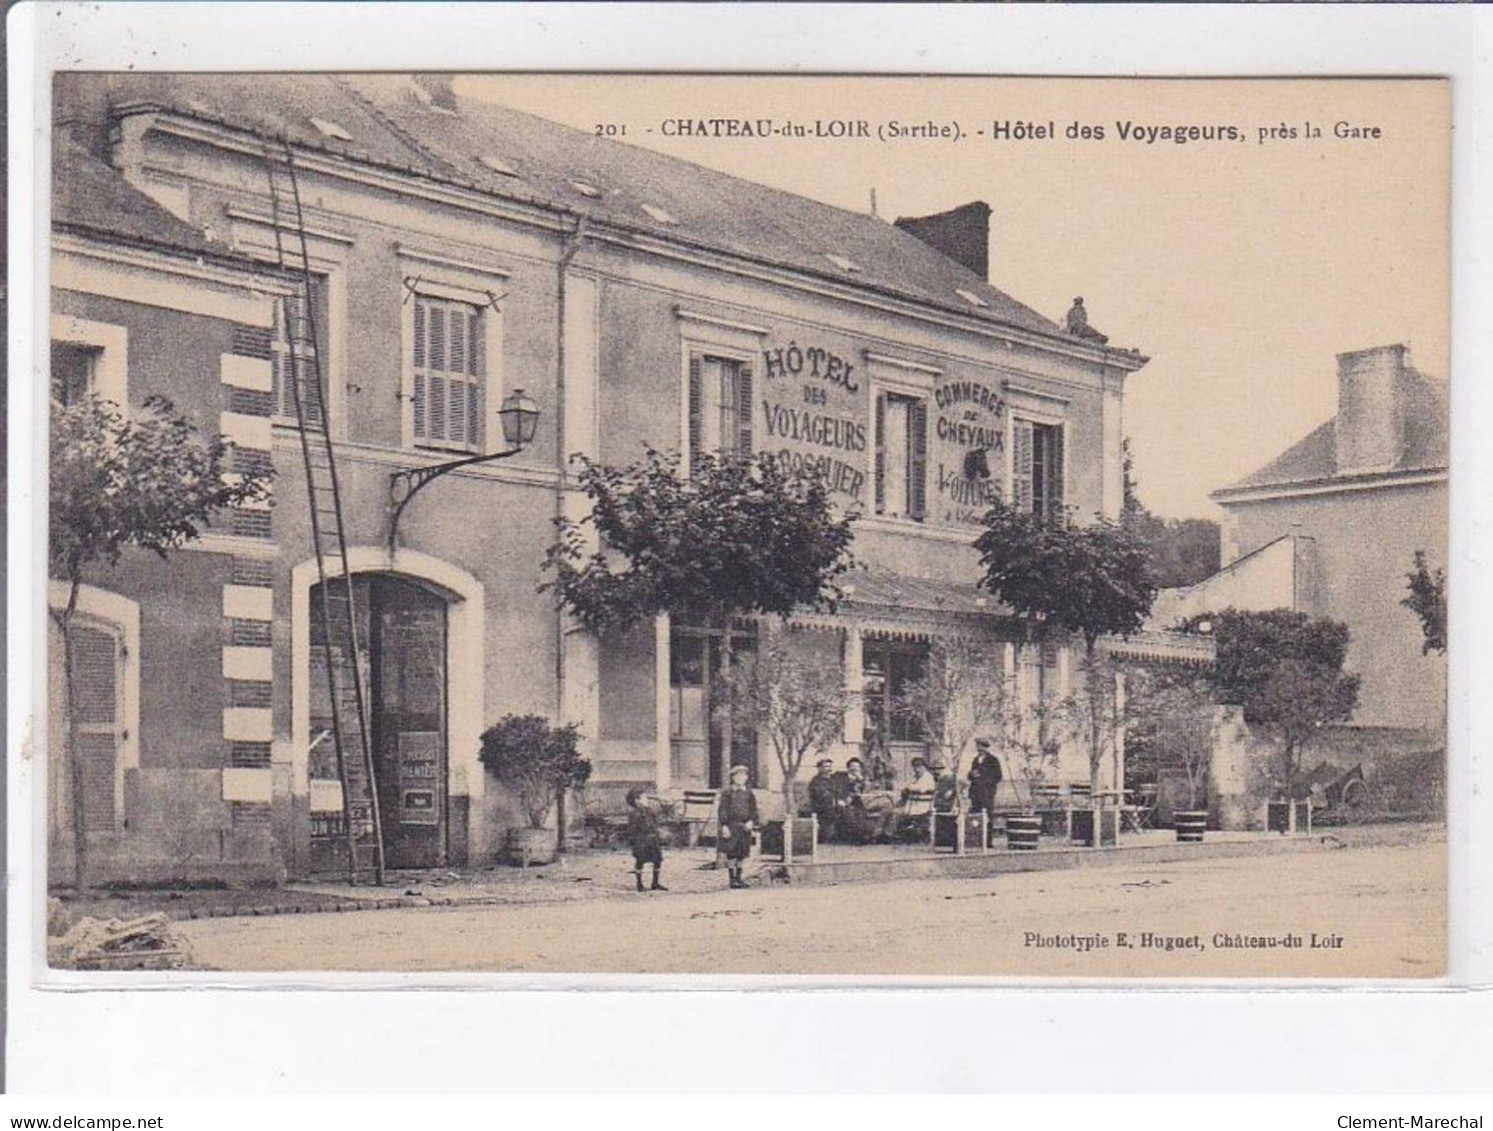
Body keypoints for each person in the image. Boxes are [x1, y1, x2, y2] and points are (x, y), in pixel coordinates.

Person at [718, 764, 760, 889]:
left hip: (744, 826)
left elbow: (753, 810)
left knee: (742, 852)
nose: (740, 778)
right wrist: (724, 825)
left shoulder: (749, 793)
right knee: (732, 853)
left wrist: (751, 821)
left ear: (746, 778)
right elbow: (723, 810)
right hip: (732, 825)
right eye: (737, 776)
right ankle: (732, 879)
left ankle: (739, 878)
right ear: (733, 778)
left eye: (743, 776)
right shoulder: (727, 793)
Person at [624, 787, 666, 893]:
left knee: (658, 860)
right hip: (641, 839)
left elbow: (655, 821)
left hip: (652, 838)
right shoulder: (635, 813)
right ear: (636, 801)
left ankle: (655, 882)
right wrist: (634, 840)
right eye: (644, 798)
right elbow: (632, 828)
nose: (646, 800)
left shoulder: (649, 810)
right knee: (640, 861)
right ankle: (639, 884)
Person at [968, 738, 1004, 817]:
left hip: (987, 793)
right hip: (975, 793)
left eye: (982, 747)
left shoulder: (993, 760)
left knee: (987, 814)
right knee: (976, 815)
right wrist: (971, 774)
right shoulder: (975, 760)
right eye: (978, 746)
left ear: (986, 748)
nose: (979, 749)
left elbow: (998, 776)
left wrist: (985, 779)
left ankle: (988, 829)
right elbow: (970, 776)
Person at [806, 758, 839, 840]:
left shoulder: (833, 780)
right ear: (819, 768)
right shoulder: (816, 781)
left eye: (829, 766)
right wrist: (833, 799)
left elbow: (838, 791)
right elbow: (820, 794)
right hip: (820, 806)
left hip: (833, 804)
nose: (828, 769)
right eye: (826, 767)